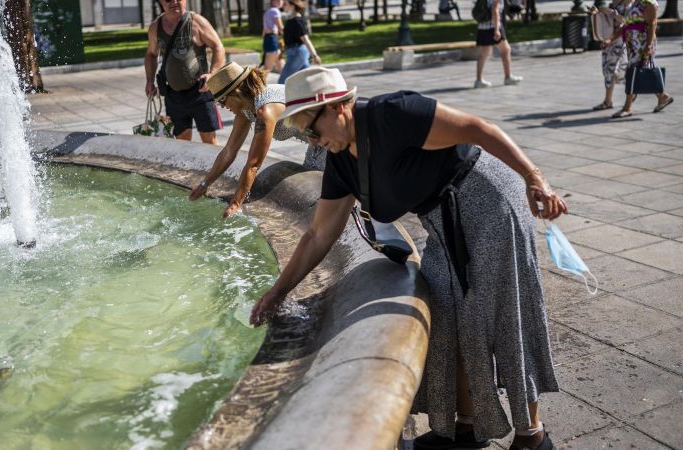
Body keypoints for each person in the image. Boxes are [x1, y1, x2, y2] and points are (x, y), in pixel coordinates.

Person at [249, 67, 567, 450]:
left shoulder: (392, 114)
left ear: (335, 108)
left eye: (310, 130)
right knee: (444, 316)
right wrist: (277, 292)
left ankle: (533, 434)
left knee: (501, 312)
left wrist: (535, 177)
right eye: (303, 135)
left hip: (487, 197)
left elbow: (477, 129)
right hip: (442, 217)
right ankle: (464, 428)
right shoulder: (340, 162)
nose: (310, 141)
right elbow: (318, 234)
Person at [191, 62, 325, 218]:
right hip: (316, 144)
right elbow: (229, 151)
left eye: (222, 101)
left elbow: (254, 164)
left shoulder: (265, 110)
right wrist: (204, 184)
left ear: (237, 93)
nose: (222, 106)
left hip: (331, 136)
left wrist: (236, 203)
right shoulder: (246, 110)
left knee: (334, 191)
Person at [144, 0, 224, 144]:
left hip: (200, 91)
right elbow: (151, 54)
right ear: (161, 2)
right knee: (181, 141)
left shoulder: (196, 22)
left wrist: (213, 74)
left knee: (209, 140)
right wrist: (150, 81)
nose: (174, 2)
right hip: (173, 95)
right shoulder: (156, 27)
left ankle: (215, 167)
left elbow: (218, 47)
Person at [605, 0, 674, 118]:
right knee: (641, 71)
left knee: (633, 72)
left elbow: (652, 24)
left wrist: (648, 46)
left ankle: (627, 107)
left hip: (643, 43)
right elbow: (626, 25)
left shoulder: (648, 3)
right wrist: (611, 39)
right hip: (634, 45)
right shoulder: (635, 3)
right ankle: (663, 96)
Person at [590, 0, 629, 111]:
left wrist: (611, 12)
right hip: (608, 40)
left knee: (613, 70)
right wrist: (597, 13)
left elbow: (627, 21)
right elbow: (608, 21)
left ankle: (610, 101)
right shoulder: (614, 2)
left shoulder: (628, 2)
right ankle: (608, 101)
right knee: (608, 70)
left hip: (618, 41)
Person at [474, 0, 522, 88]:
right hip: (493, 26)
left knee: (484, 52)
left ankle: (479, 80)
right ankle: (508, 77)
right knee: (506, 50)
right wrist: (496, 30)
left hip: (482, 26)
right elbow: (495, 10)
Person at [278, 0, 322, 84]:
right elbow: (289, 38)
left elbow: (306, 40)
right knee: (307, 82)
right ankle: (319, 93)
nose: (283, 6)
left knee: (282, 82)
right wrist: (283, 51)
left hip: (297, 53)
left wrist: (315, 55)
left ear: (292, 5)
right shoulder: (291, 19)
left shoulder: (297, 22)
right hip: (294, 52)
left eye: (285, 4)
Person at [263, 0, 285, 73]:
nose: (282, 1)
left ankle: (286, 81)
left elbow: (264, 30)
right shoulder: (275, 11)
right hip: (272, 39)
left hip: (269, 38)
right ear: (275, 1)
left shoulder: (268, 11)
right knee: (267, 68)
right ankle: (258, 83)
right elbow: (280, 27)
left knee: (280, 63)